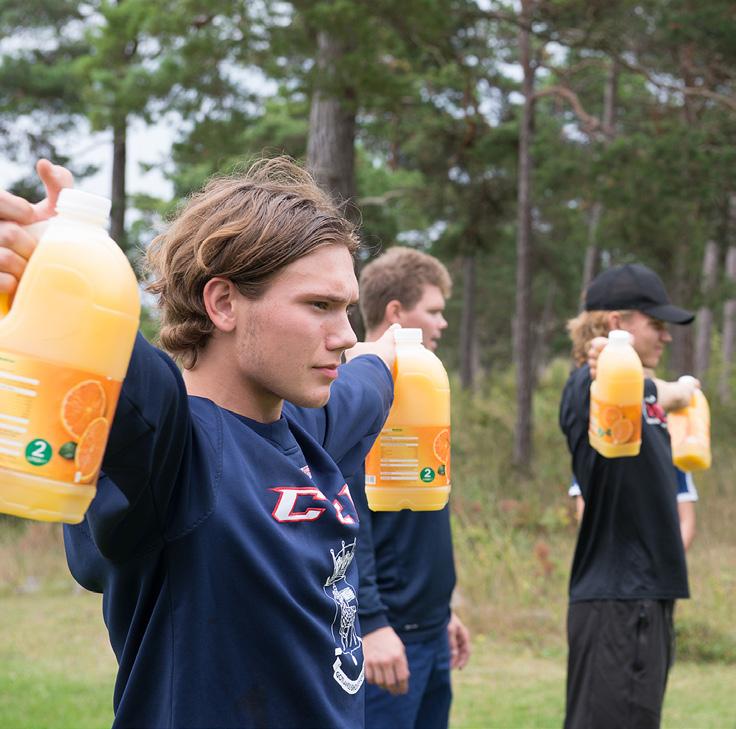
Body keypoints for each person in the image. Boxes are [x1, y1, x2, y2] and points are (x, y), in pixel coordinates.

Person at [0, 158, 398, 729]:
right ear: (224, 303)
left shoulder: (309, 432)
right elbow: (120, 368)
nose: (344, 336)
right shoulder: (176, 453)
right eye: (318, 306)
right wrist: (51, 268)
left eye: (347, 308)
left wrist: (397, 357)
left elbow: (372, 379)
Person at [559, 263, 696, 729]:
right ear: (616, 324)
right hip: (620, 599)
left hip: (641, 597)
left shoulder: (636, 393)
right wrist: (667, 387)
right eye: (655, 324)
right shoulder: (591, 384)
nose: (667, 336)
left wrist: (668, 394)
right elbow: (599, 379)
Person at [350, 247, 470, 729]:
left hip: (428, 632)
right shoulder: (357, 393)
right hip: (385, 639)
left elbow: (417, 517)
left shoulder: (420, 390)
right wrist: (372, 622)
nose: (442, 324)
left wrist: (443, 614)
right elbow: (349, 519)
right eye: (434, 311)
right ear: (397, 312)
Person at [568, 466, 698, 550]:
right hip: (607, 568)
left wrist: (668, 563)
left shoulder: (672, 443)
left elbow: (686, 521)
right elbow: (586, 516)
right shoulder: (595, 441)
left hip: (656, 569)